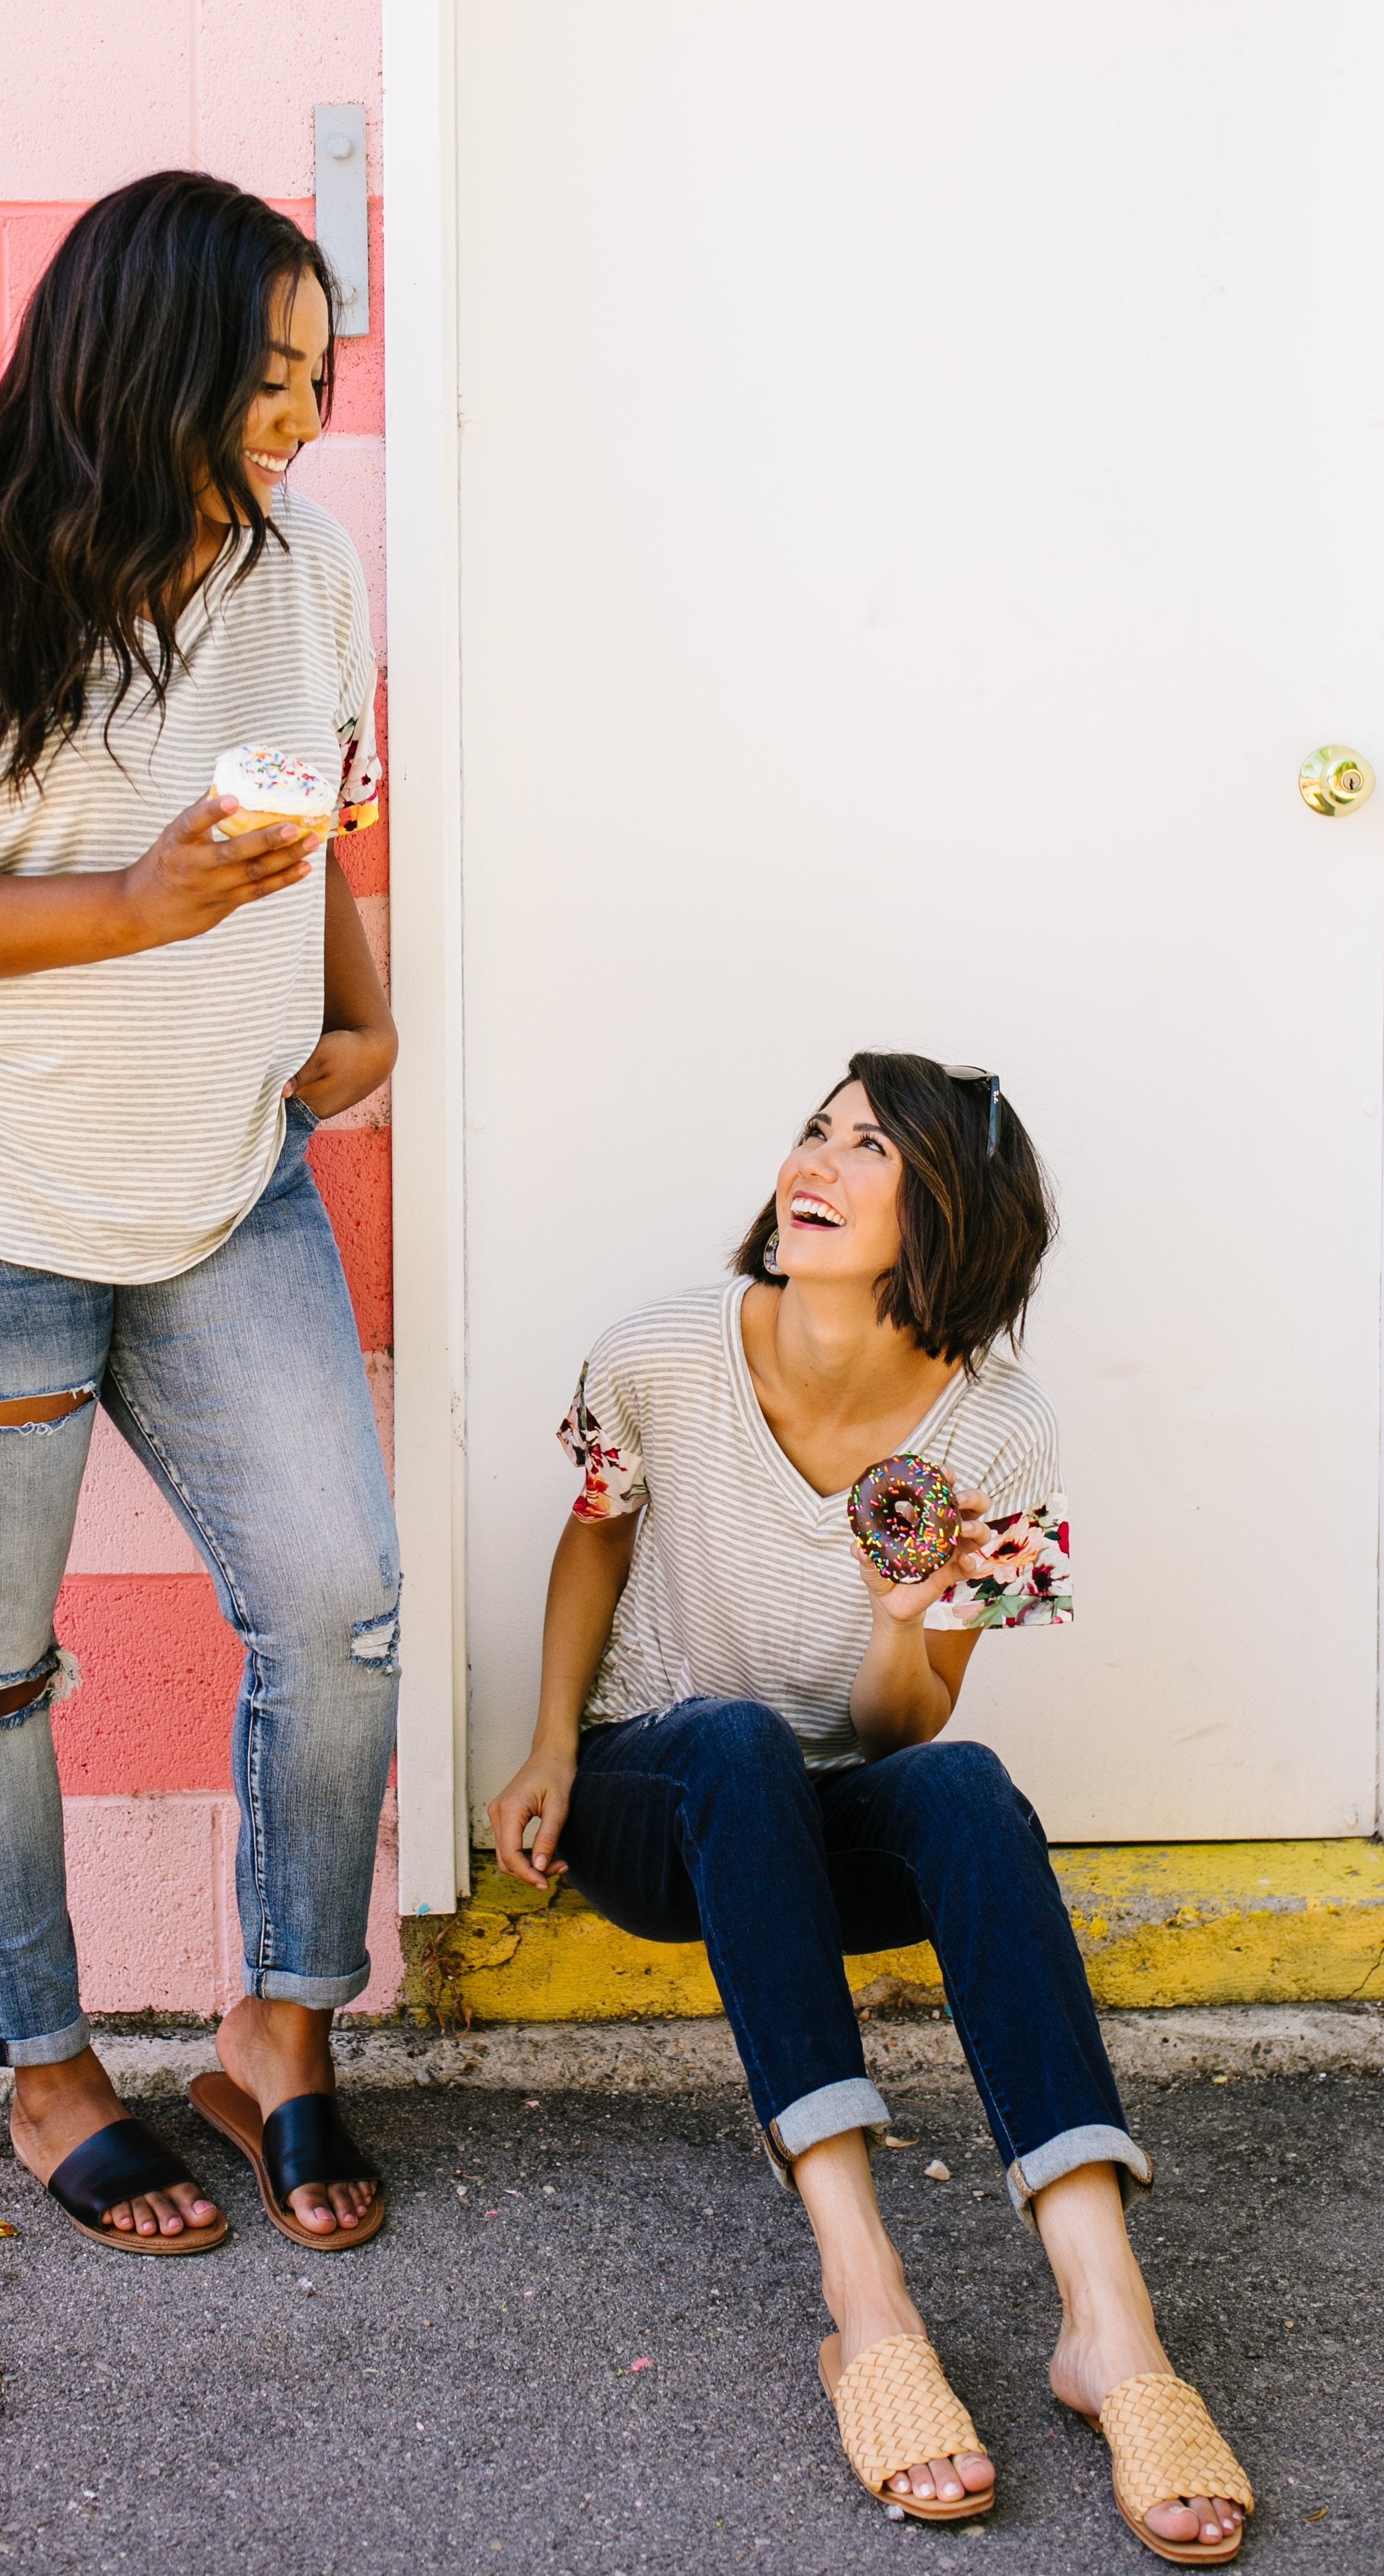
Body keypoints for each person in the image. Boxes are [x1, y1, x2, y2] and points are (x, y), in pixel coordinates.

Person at [0, 171, 399, 2257]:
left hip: (221, 1176)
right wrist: (128, 904)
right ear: (147, 364)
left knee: (339, 1598)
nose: (300, 416)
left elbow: (323, 820)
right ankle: (47, 2072)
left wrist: (362, 1007)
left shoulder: (308, 567)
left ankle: (277, 2028)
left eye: (318, 374)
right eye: (266, 376)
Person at [487, 1055, 1255, 2561]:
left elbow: (907, 1725)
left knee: (963, 1784)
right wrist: (549, 1749)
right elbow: (597, 1533)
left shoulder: (1002, 1433)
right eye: (814, 1129)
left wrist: (905, 1614)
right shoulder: (657, 1352)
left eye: (870, 1145)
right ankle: (868, 2298)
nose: (815, 1162)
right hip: (663, 1798)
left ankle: (1111, 2322)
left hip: (823, 1822)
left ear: (950, 1210)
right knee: (738, 1744)